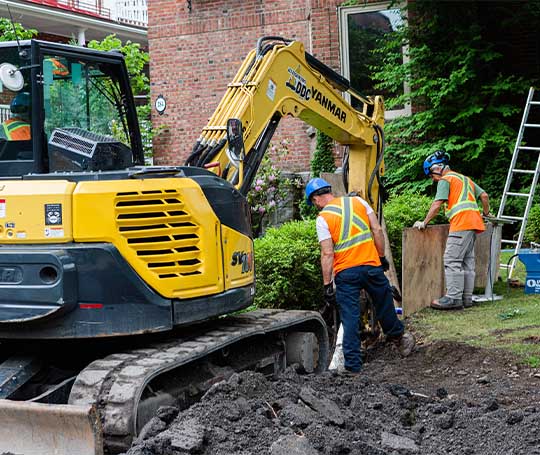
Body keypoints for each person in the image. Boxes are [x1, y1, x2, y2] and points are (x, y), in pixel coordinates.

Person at [305, 177, 416, 374]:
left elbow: (327, 253)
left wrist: (327, 284)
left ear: (316, 198)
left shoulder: (323, 218)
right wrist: (381, 258)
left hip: (346, 273)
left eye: (313, 202)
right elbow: (377, 230)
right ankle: (400, 339)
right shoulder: (359, 202)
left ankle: (353, 368)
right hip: (372, 266)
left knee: (350, 318)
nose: (315, 206)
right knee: (384, 304)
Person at [413, 150, 490, 310]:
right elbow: (484, 196)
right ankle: (466, 299)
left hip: (461, 224)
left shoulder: (445, 180)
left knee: (452, 260)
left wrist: (424, 222)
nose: (432, 178)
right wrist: (486, 213)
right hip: (473, 224)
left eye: (431, 174)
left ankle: (454, 298)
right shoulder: (465, 179)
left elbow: (437, 204)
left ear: (437, 168)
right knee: (467, 261)